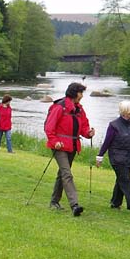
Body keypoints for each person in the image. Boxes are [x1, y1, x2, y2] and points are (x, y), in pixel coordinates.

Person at [44, 82, 95, 216]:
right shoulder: (59, 107)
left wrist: (88, 133)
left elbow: (84, 127)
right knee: (67, 173)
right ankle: (74, 205)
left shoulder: (79, 109)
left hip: (72, 145)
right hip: (59, 145)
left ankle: (54, 201)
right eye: (81, 93)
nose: (82, 96)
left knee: (62, 174)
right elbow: (49, 127)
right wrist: (54, 142)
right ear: (74, 93)